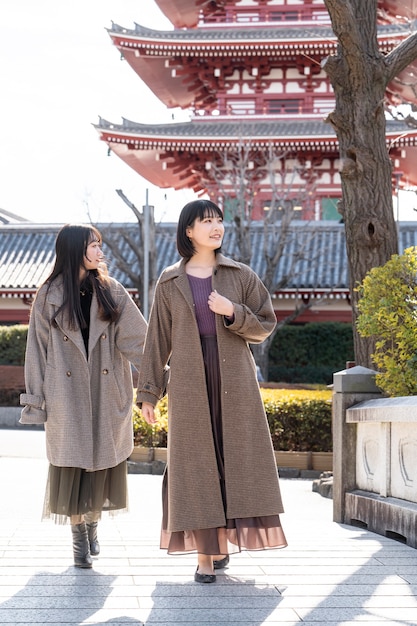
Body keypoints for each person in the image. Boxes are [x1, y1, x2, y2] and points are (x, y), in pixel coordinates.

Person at [137, 199, 287, 584]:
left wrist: (232, 310)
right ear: (189, 231)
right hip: (189, 380)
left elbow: (264, 324)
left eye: (219, 220)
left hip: (234, 380)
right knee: (195, 464)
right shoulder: (170, 280)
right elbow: (157, 340)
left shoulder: (240, 274)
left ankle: (220, 546)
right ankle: (206, 555)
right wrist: (148, 393)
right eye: (207, 221)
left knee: (233, 459)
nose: (216, 226)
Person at [20, 224, 147, 568]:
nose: (100, 251)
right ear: (76, 249)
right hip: (66, 395)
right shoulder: (49, 295)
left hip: (107, 393)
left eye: (99, 245)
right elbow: (37, 350)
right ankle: (79, 540)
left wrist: (155, 381)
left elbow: (139, 341)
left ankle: (92, 524)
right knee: (74, 469)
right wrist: (36, 401)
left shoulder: (111, 291)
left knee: (101, 468)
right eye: (94, 245)